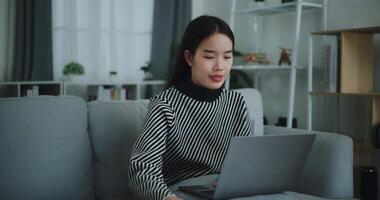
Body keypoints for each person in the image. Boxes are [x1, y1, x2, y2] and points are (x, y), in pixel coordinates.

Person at [128, 15, 252, 200]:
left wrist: (238, 180)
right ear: (189, 57)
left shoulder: (236, 102)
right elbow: (142, 169)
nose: (220, 66)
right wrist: (168, 198)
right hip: (178, 192)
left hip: (228, 191)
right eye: (209, 56)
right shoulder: (165, 105)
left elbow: (246, 161)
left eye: (227, 56)